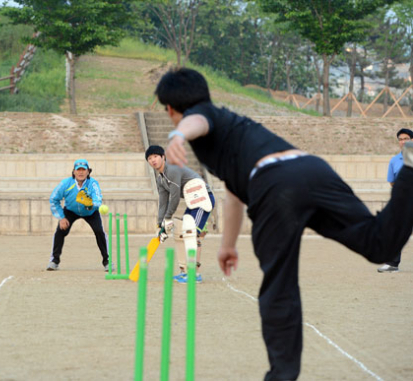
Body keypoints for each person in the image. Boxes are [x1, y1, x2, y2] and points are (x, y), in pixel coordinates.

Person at [157, 68, 413, 381]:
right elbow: (234, 193)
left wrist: (177, 135)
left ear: (170, 109)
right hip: (310, 168)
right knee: (379, 244)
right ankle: (410, 167)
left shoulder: (202, 116)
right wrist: (227, 245)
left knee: (279, 287)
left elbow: (196, 120)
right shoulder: (229, 130)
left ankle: (281, 376)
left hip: (274, 184)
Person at [145, 145, 216, 283]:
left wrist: (167, 218)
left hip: (203, 198)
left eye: (155, 156)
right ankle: (185, 272)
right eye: (149, 158)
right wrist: (160, 224)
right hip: (192, 201)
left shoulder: (172, 170)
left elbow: (175, 198)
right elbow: (163, 202)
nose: (153, 160)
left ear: (163, 157)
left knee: (192, 233)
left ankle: (195, 274)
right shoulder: (160, 180)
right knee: (181, 233)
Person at [47, 159, 109, 271]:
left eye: (83, 170)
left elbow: (98, 198)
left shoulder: (93, 183)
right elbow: (53, 199)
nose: (81, 172)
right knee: (60, 231)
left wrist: (91, 204)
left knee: (99, 232)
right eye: (78, 170)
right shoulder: (66, 183)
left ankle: (107, 261)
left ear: (88, 172)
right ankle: (54, 261)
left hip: (90, 212)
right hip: (71, 211)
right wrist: (61, 217)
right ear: (74, 172)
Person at [378, 128, 413, 273]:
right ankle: (392, 263)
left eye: (406, 138)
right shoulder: (394, 160)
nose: (403, 141)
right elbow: (392, 182)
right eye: (400, 139)